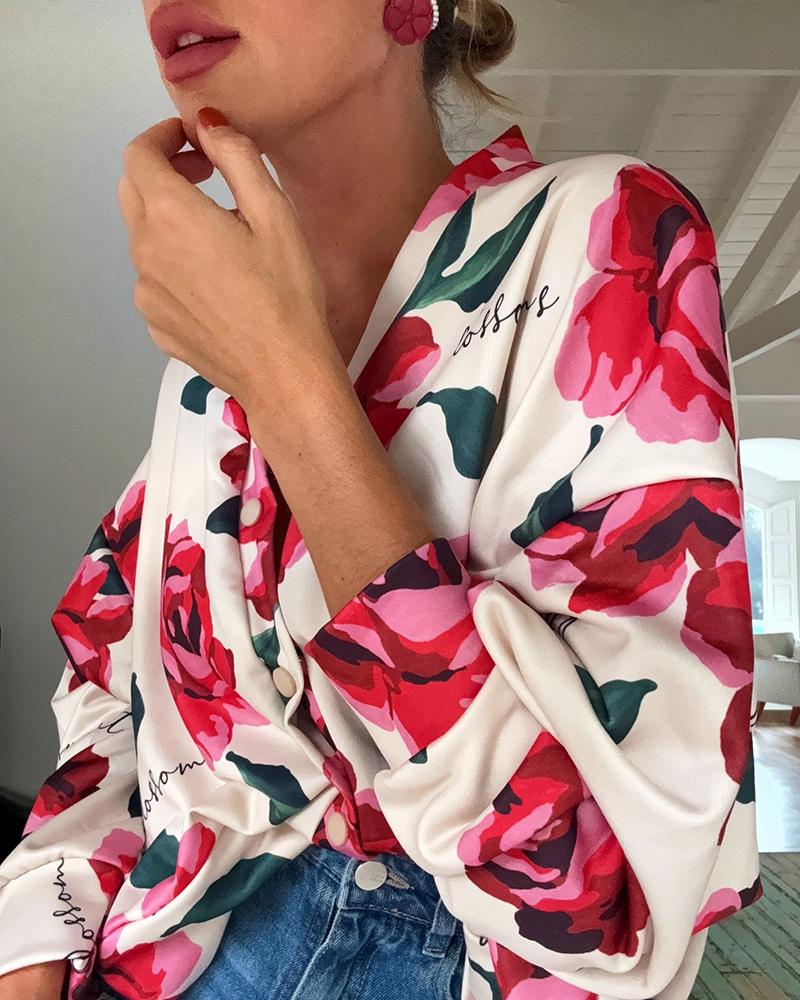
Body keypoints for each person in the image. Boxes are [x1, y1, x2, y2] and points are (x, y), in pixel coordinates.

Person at [0, 1, 763, 998]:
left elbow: (598, 897)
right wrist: (39, 933)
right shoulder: (204, 363)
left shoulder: (603, 231)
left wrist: (283, 378)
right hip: (156, 954)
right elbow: (115, 686)